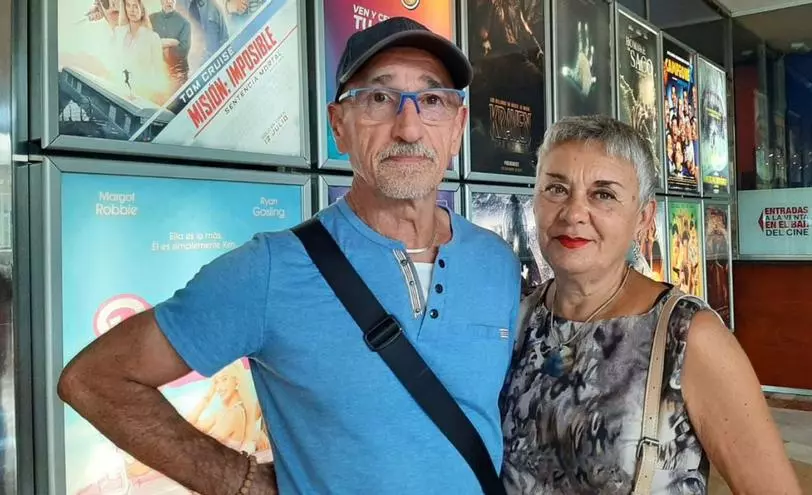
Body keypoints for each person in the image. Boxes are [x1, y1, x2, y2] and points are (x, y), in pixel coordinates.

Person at [58, 17, 521, 495]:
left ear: (457, 127)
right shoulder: (271, 269)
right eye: (379, 99)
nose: (408, 127)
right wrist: (236, 479)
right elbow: (95, 379)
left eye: (433, 101)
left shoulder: (497, 264)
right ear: (339, 126)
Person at [500, 115, 801, 494]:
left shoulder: (687, 337)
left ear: (643, 218)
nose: (574, 213)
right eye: (556, 189)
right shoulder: (518, 320)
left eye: (603, 194)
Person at [150, 0, 192, 91]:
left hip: (177, 77)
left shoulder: (185, 23)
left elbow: (183, 50)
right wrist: (171, 42)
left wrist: (158, 47)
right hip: (154, 76)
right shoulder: (151, 19)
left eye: (172, 0)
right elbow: (145, 43)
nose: (169, 2)